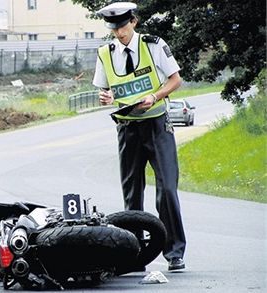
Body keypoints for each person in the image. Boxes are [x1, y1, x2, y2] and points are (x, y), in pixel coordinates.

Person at [93, 2, 186, 271]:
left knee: (167, 189)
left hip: (156, 124)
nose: (118, 33)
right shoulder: (105, 53)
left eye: (122, 27)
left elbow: (175, 79)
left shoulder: (153, 45)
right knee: (132, 194)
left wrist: (155, 96)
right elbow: (104, 92)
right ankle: (134, 253)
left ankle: (175, 252)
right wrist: (106, 97)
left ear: (133, 22)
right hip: (127, 128)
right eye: (114, 29)